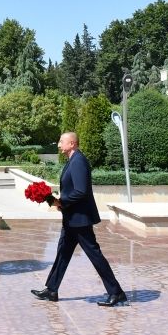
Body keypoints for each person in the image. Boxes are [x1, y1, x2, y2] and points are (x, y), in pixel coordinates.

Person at [31, 131, 128, 307]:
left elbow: (81, 191)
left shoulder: (78, 162)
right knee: (63, 253)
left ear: (72, 144)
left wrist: (61, 202)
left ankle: (116, 292)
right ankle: (51, 289)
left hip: (80, 219)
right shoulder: (72, 161)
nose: (59, 145)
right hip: (72, 218)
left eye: (62, 142)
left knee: (94, 255)